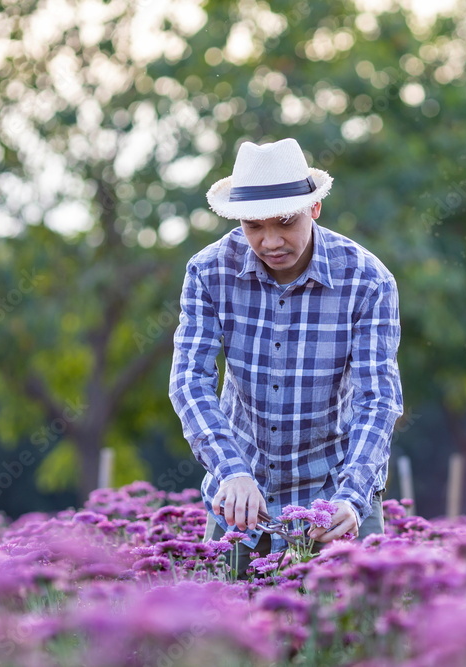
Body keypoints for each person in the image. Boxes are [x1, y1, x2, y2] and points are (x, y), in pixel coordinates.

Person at [169, 137, 403, 559]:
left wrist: (351, 495)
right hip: (241, 499)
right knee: (222, 622)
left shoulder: (368, 279)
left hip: (335, 493)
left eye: (284, 222)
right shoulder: (207, 272)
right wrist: (230, 470)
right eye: (254, 227)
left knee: (352, 622)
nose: (271, 241)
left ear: (314, 208)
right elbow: (189, 382)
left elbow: (378, 400)